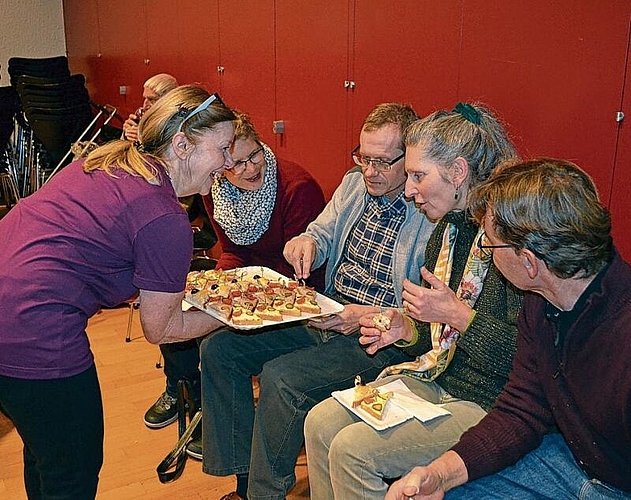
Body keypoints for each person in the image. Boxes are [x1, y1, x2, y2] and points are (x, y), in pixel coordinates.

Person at [0, 85, 235, 499]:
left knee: (44, 454)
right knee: (72, 473)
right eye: (224, 148)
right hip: (32, 330)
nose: (230, 162)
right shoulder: (164, 216)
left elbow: (93, 246)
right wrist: (230, 313)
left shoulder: (108, 162)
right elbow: (162, 329)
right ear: (182, 145)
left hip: (11, 309)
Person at [199, 102, 436, 500]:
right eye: (363, 157)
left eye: (382, 162)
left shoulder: (428, 213)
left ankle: (264, 495)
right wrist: (305, 242)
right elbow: (321, 233)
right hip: (330, 313)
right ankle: (243, 482)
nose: (370, 171)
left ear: (409, 157)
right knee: (220, 349)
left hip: (375, 336)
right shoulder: (354, 185)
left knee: (282, 378)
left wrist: (367, 317)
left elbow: (422, 321)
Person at [304, 102, 523, 500]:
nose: (408, 190)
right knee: (320, 422)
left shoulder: (510, 244)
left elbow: (526, 359)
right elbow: (434, 338)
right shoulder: (448, 232)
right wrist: (406, 329)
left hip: (488, 401)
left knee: (353, 451)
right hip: (438, 378)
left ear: (458, 172)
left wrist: (458, 316)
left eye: (418, 175)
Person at [386, 158, 631, 500]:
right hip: (570, 461)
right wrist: (439, 474)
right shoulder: (541, 302)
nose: (484, 251)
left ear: (529, 262)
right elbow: (521, 410)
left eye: (489, 243)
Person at [182, 110, 326, 458]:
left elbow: (302, 270)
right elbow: (234, 251)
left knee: (217, 346)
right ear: (220, 167)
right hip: (257, 289)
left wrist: (244, 291)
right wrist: (216, 283)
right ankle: (229, 444)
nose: (250, 168)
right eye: (237, 163)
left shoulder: (296, 187)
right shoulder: (214, 192)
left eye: (255, 154)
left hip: (299, 297)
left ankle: (229, 430)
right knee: (200, 338)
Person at [122, 73, 178, 142]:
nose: (145, 104)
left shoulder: (176, 124)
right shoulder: (141, 115)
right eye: (145, 98)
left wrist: (144, 140)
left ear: (168, 100)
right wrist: (126, 134)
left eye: (151, 99)